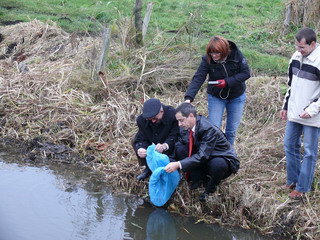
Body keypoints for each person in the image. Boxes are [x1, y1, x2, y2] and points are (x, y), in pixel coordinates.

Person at [164, 103, 240, 201]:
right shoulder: (186, 126)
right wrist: (171, 160)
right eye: (178, 121)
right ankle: (198, 179)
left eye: (181, 120)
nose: (179, 124)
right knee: (181, 149)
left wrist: (178, 164)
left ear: (191, 116)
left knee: (218, 164)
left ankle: (210, 189)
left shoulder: (208, 129)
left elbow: (202, 156)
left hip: (221, 158)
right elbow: (180, 143)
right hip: (206, 156)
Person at [184, 36, 250, 145]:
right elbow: (199, 77)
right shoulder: (207, 59)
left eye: (217, 53)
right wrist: (188, 98)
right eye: (211, 53)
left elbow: (246, 73)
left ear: (224, 51)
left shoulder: (236, 55)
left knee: (231, 131)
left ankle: (229, 154)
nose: (214, 56)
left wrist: (227, 82)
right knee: (214, 129)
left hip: (236, 97)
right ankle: (215, 153)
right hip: (216, 97)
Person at [280, 27, 320, 200]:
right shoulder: (295, 57)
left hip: (313, 115)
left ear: (313, 44)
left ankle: (302, 188)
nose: (299, 50)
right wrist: (285, 106)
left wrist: (311, 110)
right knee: (289, 145)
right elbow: (291, 84)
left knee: (309, 151)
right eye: (297, 46)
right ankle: (293, 180)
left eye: (302, 47)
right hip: (295, 112)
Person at [133, 98, 179, 181]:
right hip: (152, 142)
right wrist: (140, 148)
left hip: (168, 143)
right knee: (134, 141)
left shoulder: (173, 115)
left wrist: (165, 146)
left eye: (155, 118)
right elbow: (141, 137)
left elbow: (175, 135)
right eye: (150, 119)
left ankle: (173, 168)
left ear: (161, 111)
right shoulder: (141, 120)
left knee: (179, 146)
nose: (153, 121)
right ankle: (148, 168)